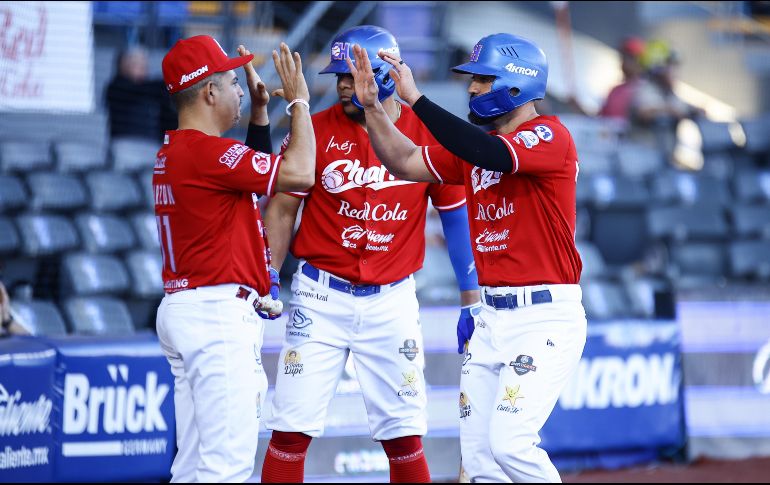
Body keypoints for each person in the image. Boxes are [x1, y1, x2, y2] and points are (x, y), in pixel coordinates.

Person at [347, 33, 587, 482]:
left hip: (544, 316)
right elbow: (403, 161)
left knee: (511, 443)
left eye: (482, 78)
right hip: (491, 317)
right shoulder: (476, 150)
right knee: (479, 462)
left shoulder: (549, 134)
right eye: (471, 80)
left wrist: (416, 99)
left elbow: (489, 153)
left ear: (516, 83)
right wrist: (373, 110)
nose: (472, 89)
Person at [259, 25, 479, 484]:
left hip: (391, 298)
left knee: (404, 437)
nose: (340, 84)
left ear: (381, 75)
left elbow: (457, 220)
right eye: (337, 75)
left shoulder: (427, 131)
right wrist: (264, 278)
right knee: (289, 431)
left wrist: (470, 298)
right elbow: (281, 209)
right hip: (320, 294)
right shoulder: (313, 128)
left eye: (350, 74)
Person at [153, 35, 315, 482]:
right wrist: (299, 103)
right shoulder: (204, 153)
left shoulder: (180, 150)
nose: (242, 88)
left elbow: (245, 179)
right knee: (226, 469)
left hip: (190, 308)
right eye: (231, 80)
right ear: (208, 92)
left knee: (192, 467)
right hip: (215, 318)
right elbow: (300, 174)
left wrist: (260, 116)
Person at [106, 46, 176, 143]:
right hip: (126, 144)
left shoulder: (154, 90)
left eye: (145, 66)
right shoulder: (116, 87)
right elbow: (139, 90)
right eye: (137, 66)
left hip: (153, 144)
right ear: (124, 65)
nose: (143, 70)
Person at [598, 36, 646, 121]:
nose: (623, 62)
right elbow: (598, 120)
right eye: (623, 57)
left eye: (628, 58)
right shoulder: (615, 91)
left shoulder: (646, 91)